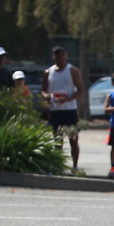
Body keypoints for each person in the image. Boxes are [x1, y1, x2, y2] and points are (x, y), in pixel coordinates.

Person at [42, 45, 84, 174]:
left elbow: (80, 90)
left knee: (73, 139)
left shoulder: (72, 70)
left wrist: (67, 98)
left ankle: (75, 167)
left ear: (66, 55)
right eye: (56, 54)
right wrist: (47, 96)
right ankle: (57, 167)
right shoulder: (48, 72)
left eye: (61, 54)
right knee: (57, 141)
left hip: (69, 110)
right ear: (53, 56)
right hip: (55, 111)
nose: (59, 57)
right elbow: (43, 90)